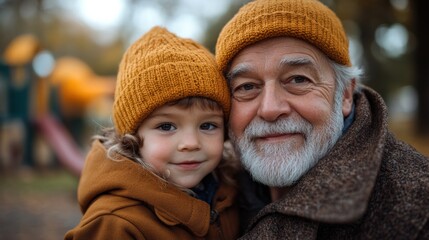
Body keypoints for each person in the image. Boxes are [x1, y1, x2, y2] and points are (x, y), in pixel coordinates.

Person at [215, 0, 429, 239]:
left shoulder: (417, 211)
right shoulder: (202, 186)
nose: (269, 109)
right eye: (246, 86)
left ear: (346, 94)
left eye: (298, 80)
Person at [65, 26, 240, 240]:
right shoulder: (115, 224)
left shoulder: (230, 193)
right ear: (131, 138)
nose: (191, 143)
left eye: (207, 126)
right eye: (166, 126)